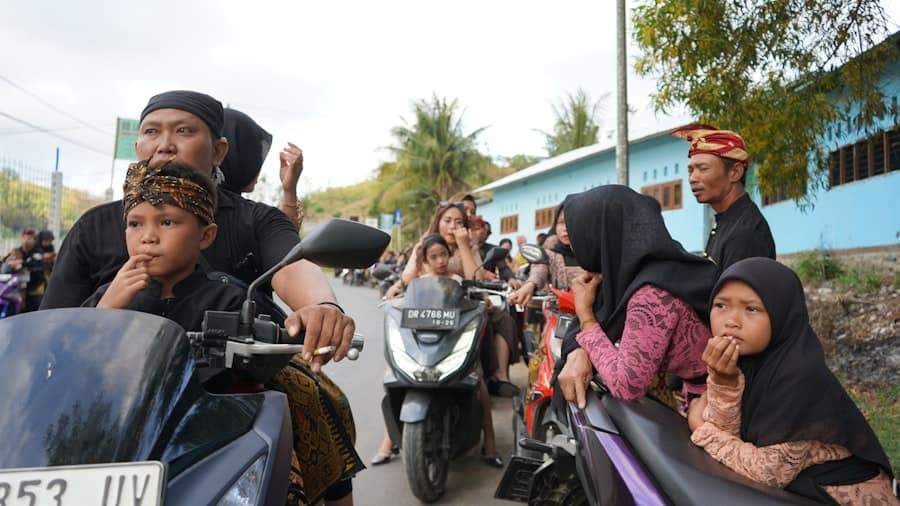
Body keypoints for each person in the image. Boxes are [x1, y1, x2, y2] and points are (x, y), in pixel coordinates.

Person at [41, 90, 361, 506]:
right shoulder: (94, 226)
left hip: (230, 391)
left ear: (219, 151)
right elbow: (52, 329)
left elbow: (291, 268)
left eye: (183, 131)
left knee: (314, 399)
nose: (164, 144)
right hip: (109, 395)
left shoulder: (252, 219)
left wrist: (322, 307)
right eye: (151, 132)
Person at [689, 258, 895, 504]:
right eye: (721, 305)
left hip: (841, 495)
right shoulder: (745, 360)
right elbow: (727, 431)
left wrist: (701, 428)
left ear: (781, 314)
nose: (731, 320)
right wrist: (724, 380)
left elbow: (768, 472)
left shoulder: (799, 374)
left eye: (751, 309)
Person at [555, 186, 718, 412]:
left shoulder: (652, 294)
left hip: (715, 405)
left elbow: (627, 386)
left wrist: (586, 317)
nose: (573, 243)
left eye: (579, 233)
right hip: (699, 394)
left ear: (600, 234)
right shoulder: (654, 269)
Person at [372, 231, 505, 468]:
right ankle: (388, 441)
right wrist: (393, 292)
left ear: (449, 255)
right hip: (422, 344)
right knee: (393, 374)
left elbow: (478, 295)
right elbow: (400, 293)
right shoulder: (418, 282)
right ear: (425, 260)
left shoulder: (458, 280)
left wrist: (483, 299)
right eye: (434, 257)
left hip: (451, 342)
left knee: (479, 382)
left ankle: (490, 443)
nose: (440, 260)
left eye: (443, 254)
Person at [82, 162, 246, 332]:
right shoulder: (107, 296)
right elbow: (75, 346)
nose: (148, 237)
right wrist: (105, 311)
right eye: (135, 224)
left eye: (167, 223)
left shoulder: (227, 303)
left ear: (205, 236)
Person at [672, 124, 776, 273]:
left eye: (703, 168)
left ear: (735, 172)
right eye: (691, 170)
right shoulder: (727, 221)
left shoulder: (745, 234)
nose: (692, 178)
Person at [220, 108, 305, 229]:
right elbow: (284, 237)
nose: (258, 167)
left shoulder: (198, 206)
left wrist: (289, 190)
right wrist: (289, 192)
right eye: (253, 156)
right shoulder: (248, 218)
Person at [509, 203, 583, 307]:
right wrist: (530, 285)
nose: (565, 228)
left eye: (571, 221)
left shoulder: (595, 254)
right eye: (561, 222)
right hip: (560, 314)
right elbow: (539, 271)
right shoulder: (551, 255)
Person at [2, 228, 44, 311]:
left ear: (34, 240)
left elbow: (36, 264)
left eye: (30, 238)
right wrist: (10, 264)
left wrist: (22, 263)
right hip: (17, 289)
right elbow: (5, 265)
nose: (26, 241)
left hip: (35, 289)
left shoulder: (38, 251)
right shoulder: (16, 251)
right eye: (25, 238)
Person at [469, 215, 513, 281]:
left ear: (484, 231)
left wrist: (510, 278)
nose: (472, 233)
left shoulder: (494, 249)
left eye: (476, 229)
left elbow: (503, 268)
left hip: (486, 285)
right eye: (469, 229)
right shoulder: (461, 248)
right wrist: (482, 273)